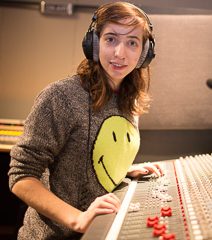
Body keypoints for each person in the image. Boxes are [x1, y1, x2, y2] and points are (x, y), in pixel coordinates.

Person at [8, 2, 162, 239]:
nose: (120, 53)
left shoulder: (128, 99)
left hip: (99, 232)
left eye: (132, 42)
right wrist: (77, 218)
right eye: (111, 39)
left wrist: (121, 170)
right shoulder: (61, 96)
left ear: (144, 53)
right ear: (94, 43)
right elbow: (21, 176)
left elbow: (88, 156)